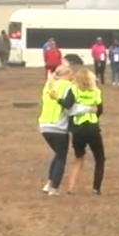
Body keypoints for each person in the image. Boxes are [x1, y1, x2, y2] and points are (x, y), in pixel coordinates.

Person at [65, 69, 106, 195]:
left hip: (78, 128)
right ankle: (96, 189)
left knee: (79, 157)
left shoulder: (74, 90)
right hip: (92, 127)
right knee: (99, 158)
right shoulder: (96, 92)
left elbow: (68, 106)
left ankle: (71, 187)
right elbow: (100, 110)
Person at [39, 66, 75, 195]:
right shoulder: (68, 86)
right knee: (61, 157)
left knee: (58, 154)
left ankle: (49, 184)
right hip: (58, 125)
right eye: (71, 73)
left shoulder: (49, 85)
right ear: (66, 74)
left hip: (44, 124)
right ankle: (54, 188)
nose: (73, 75)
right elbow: (69, 104)